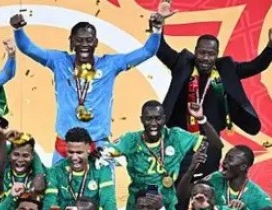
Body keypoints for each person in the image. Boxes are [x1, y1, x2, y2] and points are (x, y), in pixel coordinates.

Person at [10, 11, 165, 163]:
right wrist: (18, 30)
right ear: (72, 42)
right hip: (65, 145)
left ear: (96, 42)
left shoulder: (110, 65)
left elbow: (147, 51)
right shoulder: (59, 62)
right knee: (57, 181)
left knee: (103, 181)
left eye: (89, 40)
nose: (84, 45)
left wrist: (156, 30)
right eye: (79, 40)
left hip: (98, 145)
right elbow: (28, 48)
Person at [157, 0, 272, 177]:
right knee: (174, 184)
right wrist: (159, 23)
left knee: (207, 185)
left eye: (210, 54)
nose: (205, 58)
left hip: (210, 142)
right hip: (179, 140)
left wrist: (271, 46)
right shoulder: (183, 64)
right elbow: (161, 49)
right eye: (202, 52)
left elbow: (255, 66)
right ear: (195, 51)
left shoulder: (226, 69)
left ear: (216, 55)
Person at [104, 100, 219, 210]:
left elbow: (216, 144)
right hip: (139, 207)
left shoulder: (175, 136)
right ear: (141, 119)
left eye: (158, 118)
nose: (153, 123)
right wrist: (100, 152)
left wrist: (201, 119)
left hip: (166, 205)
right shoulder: (131, 139)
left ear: (164, 119)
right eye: (149, 119)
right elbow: (107, 151)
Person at [43, 128, 116, 210]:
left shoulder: (101, 169)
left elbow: (108, 202)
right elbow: (49, 201)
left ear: (89, 148)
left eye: (79, 152)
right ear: (66, 149)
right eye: (71, 152)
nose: (74, 157)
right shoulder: (55, 171)